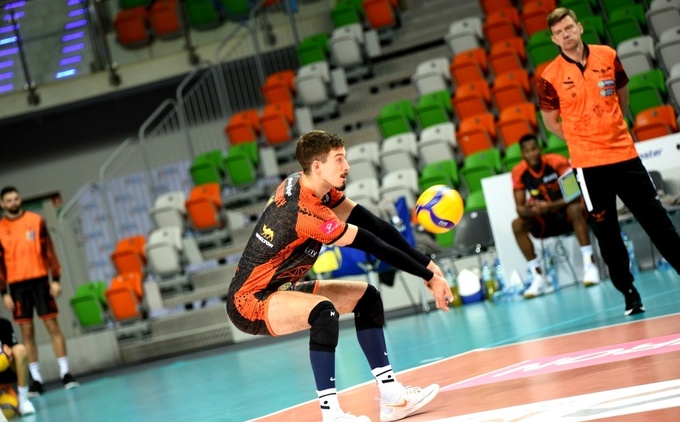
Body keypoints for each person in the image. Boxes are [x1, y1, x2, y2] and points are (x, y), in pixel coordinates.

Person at [226, 130, 450, 422]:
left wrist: (428, 266)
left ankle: (394, 398)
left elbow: (375, 225)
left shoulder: (312, 186)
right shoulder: (305, 211)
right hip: (250, 301)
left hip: (280, 287)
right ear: (317, 166)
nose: (347, 166)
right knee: (324, 313)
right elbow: (373, 244)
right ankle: (331, 415)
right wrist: (428, 276)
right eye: (339, 159)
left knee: (367, 298)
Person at [536, 8, 680, 315]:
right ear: (554, 39)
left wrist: (615, 125)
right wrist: (578, 138)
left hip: (624, 155)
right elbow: (549, 122)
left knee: (657, 221)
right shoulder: (549, 76)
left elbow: (622, 95)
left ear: (579, 28)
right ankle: (629, 293)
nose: (565, 35)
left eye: (569, 28)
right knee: (607, 234)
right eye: (559, 32)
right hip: (588, 166)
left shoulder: (607, 55)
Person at [0, 186, 80, 396]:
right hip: (17, 287)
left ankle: (65, 373)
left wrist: (56, 280)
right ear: (2, 204)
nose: (13, 203)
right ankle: (36, 379)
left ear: (20, 199)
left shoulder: (36, 220)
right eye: (9, 200)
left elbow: (49, 252)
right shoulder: (0, 229)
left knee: (53, 326)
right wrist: (4, 293)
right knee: (27, 333)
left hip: (41, 282)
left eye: (16, 198)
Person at [511, 134, 600, 298]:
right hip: (545, 221)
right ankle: (538, 276)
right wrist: (532, 211)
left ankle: (590, 264)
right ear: (522, 154)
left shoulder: (557, 162)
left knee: (575, 209)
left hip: (567, 215)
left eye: (534, 149)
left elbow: (574, 194)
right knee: (517, 224)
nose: (532, 154)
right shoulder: (519, 172)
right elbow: (520, 209)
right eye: (527, 151)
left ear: (540, 149)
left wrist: (550, 206)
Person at [0, 317, 36, 418]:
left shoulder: (4, 324)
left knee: (20, 350)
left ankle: (23, 400)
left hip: (6, 373)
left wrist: (7, 352)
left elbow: (12, 348)